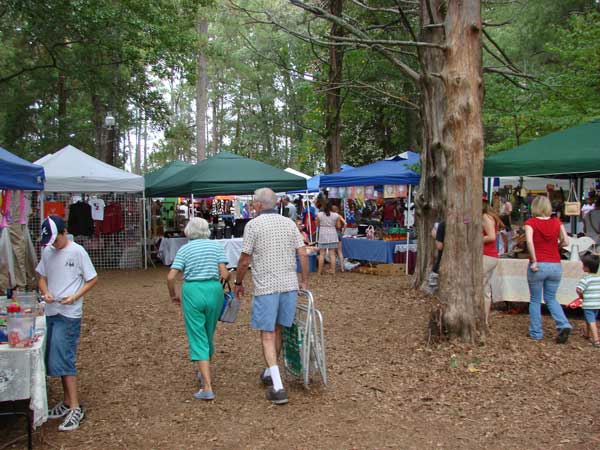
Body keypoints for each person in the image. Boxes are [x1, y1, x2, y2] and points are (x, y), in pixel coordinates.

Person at [234, 188, 309, 405]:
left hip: (266, 286)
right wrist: (304, 280)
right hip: (289, 285)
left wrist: (238, 282)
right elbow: (302, 252)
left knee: (267, 333)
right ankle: (270, 372)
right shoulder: (289, 223)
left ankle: (278, 386)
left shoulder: (253, 225)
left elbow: (244, 259)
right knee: (278, 330)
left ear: (257, 205)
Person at [36, 216, 98, 431]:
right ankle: (66, 402)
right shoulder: (48, 251)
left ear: (64, 233)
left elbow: (92, 278)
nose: (54, 244)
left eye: (56, 239)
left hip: (69, 312)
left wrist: (75, 296)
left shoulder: (77, 251)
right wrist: (46, 292)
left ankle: (74, 406)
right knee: (55, 356)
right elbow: (41, 275)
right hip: (51, 310)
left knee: (64, 355)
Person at [166, 218, 230, 401]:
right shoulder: (215, 247)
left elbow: (171, 277)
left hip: (192, 290)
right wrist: (231, 278)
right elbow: (224, 273)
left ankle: (207, 386)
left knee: (197, 334)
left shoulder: (185, 249)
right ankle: (204, 371)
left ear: (189, 231)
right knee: (208, 332)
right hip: (213, 290)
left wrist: (173, 295)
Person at [524, 195, 572, 342]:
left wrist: (534, 260)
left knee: (535, 300)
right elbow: (566, 241)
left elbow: (529, 242)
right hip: (555, 264)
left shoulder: (530, 222)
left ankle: (536, 332)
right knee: (551, 298)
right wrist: (556, 247)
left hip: (539, 264)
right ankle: (563, 323)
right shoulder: (557, 222)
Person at [482, 199, 501, 326]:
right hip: (490, 256)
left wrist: (475, 238)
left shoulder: (485, 217)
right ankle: (484, 319)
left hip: (486, 255)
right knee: (485, 287)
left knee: (482, 288)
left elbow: (492, 236)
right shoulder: (490, 217)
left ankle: (483, 319)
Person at [577, 255, 600, 347]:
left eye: (583, 265)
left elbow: (579, 289)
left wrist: (581, 296)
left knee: (591, 321)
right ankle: (587, 334)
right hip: (598, 303)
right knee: (589, 319)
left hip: (589, 304)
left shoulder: (585, 278)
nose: (582, 267)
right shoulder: (598, 278)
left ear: (587, 268)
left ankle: (596, 340)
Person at [316, 201, 343, 276]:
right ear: (331, 207)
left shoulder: (319, 214)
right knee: (332, 254)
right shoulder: (336, 215)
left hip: (322, 234)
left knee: (322, 254)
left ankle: (319, 272)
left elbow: (317, 224)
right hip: (332, 234)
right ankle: (333, 271)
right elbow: (338, 226)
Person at [330, 205, 346, 272]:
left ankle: (333, 269)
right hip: (339, 232)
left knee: (332, 252)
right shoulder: (339, 216)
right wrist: (343, 232)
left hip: (333, 233)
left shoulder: (331, 216)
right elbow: (345, 223)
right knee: (340, 251)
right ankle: (342, 268)